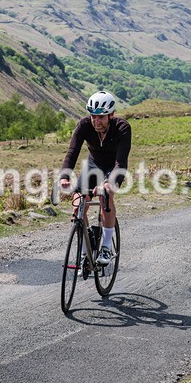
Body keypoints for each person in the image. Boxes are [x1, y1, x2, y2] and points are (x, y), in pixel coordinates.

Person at [60, 91, 131, 265]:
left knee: (105, 196)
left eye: (101, 117)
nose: (96, 121)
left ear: (111, 115)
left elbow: (121, 162)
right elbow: (73, 151)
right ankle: (85, 251)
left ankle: (106, 247)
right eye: (93, 116)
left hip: (114, 167)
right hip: (93, 166)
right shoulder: (84, 125)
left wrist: (109, 183)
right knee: (78, 207)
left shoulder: (122, 127)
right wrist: (64, 175)